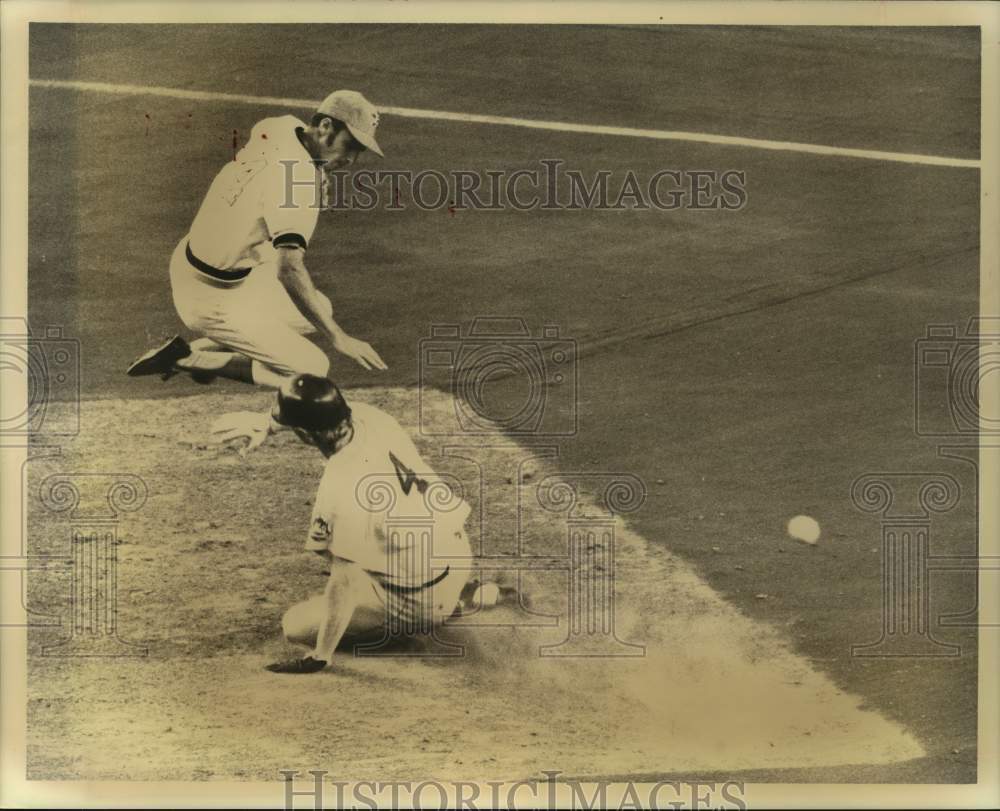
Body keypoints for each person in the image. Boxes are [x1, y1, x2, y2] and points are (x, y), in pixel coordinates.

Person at [214, 374, 478, 673]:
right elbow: (319, 407)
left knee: (297, 625)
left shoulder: (342, 487)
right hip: (455, 550)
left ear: (302, 432)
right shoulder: (370, 416)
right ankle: (461, 594)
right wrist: (269, 423)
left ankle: (448, 611)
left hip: (420, 598)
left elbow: (345, 581)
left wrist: (319, 655)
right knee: (376, 553)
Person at [126, 90, 387, 389]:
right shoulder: (298, 183)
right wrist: (339, 337)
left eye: (359, 151)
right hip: (208, 301)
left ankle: (192, 351)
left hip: (198, 262)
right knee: (313, 368)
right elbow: (288, 269)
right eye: (350, 145)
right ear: (326, 127)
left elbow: (280, 164)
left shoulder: (281, 126)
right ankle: (189, 360)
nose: (352, 159)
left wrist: (315, 171)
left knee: (319, 308)